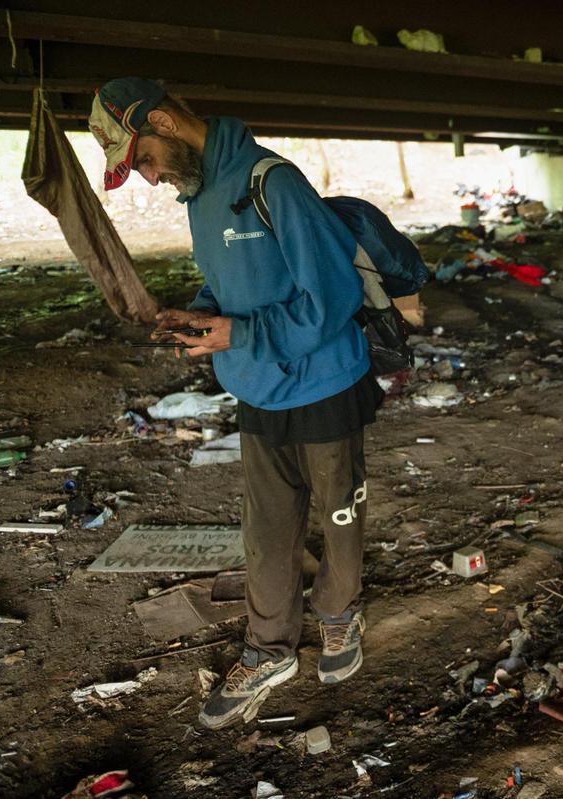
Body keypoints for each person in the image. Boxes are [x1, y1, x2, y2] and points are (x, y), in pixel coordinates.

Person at [89, 77, 382, 729]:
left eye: (140, 160)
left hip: (325, 382)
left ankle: (339, 619)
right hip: (258, 385)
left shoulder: (271, 182)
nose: (146, 178)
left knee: (337, 516)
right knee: (268, 528)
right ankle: (269, 647)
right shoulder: (201, 197)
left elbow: (332, 298)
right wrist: (197, 316)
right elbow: (229, 284)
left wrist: (241, 333)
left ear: (163, 123)